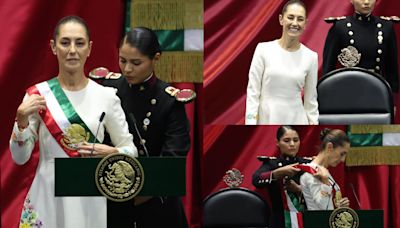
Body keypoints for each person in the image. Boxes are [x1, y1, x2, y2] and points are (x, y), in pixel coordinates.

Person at [9, 16, 137, 228]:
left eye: (79, 43)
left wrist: (112, 153)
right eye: (65, 42)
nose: (72, 50)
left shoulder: (107, 96)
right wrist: (21, 121)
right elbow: (20, 158)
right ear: (53, 47)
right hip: (47, 195)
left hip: (89, 196)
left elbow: (131, 149)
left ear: (89, 48)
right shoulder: (38, 95)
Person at [101, 27, 190, 228]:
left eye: (136, 63)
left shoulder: (168, 100)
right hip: (112, 196)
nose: (127, 69)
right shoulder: (108, 89)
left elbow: (173, 158)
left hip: (155, 201)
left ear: (155, 58)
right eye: (122, 60)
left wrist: (140, 193)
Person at [245, 0, 318, 125]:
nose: (295, 23)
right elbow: (253, 92)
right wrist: (250, 122)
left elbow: (311, 101)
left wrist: (313, 123)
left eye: (300, 19)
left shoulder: (311, 57)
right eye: (290, 17)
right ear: (281, 19)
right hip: (267, 118)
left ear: (305, 24)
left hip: (297, 119)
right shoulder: (263, 49)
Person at [323, 0, 399, 93]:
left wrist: (392, 100)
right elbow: (328, 68)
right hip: (348, 90)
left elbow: (392, 69)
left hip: (377, 91)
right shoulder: (340, 27)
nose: (366, 2)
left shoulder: (386, 27)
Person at [253, 126, 311, 228]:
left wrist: (299, 190)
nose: (292, 144)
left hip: (306, 219)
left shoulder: (308, 164)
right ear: (277, 142)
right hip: (280, 220)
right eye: (287, 141)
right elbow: (256, 180)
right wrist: (277, 173)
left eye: (296, 140)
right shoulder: (272, 164)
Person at [300, 129, 350, 210]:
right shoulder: (311, 172)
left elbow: (327, 207)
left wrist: (338, 207)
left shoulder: (323, 171)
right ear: (329, 147)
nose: (343, 160)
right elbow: (322, 209)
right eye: (342, 154)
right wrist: (326, 183)